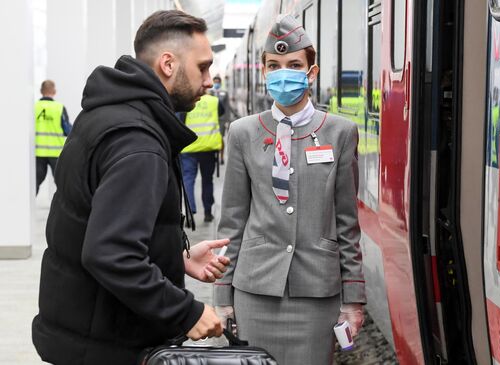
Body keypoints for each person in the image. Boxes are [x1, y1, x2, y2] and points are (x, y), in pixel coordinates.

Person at [32, 10, 230, 365]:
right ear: (168, 64)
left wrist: (175, 256)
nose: (209, 80)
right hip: (107, 344)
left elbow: (100, 222)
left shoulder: (110, 113)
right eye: (203, 67)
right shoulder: (139, 143)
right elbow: (110, 252)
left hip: (82, 331)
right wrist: (187, 312)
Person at [214, 14, 365, 365]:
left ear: (311, 73)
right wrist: (222, 295)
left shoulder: (340, 133)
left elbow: (347, 222)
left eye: (294, 64)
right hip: (255, 290)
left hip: (316, 293)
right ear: (264, 72)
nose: (284, 72)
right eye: (275, 65)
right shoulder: (242, 133)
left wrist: (353, 299)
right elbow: (232, 222)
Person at [179, 90, 224, 222]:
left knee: (188, 178)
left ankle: (189, 210)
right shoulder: (214, 101)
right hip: (208, 147)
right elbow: (221, 112)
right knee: (207, 180)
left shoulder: (186, 100)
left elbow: (180, 119)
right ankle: (208, 212)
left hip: (189, 146)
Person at [34, 80, 71, 194]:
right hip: (56, 153)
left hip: (38, 152)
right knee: (62, 184)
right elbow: (67, 129)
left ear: (41, 91)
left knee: (35, 182)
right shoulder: (59, 108)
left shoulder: (34, 107)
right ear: (54, 92)